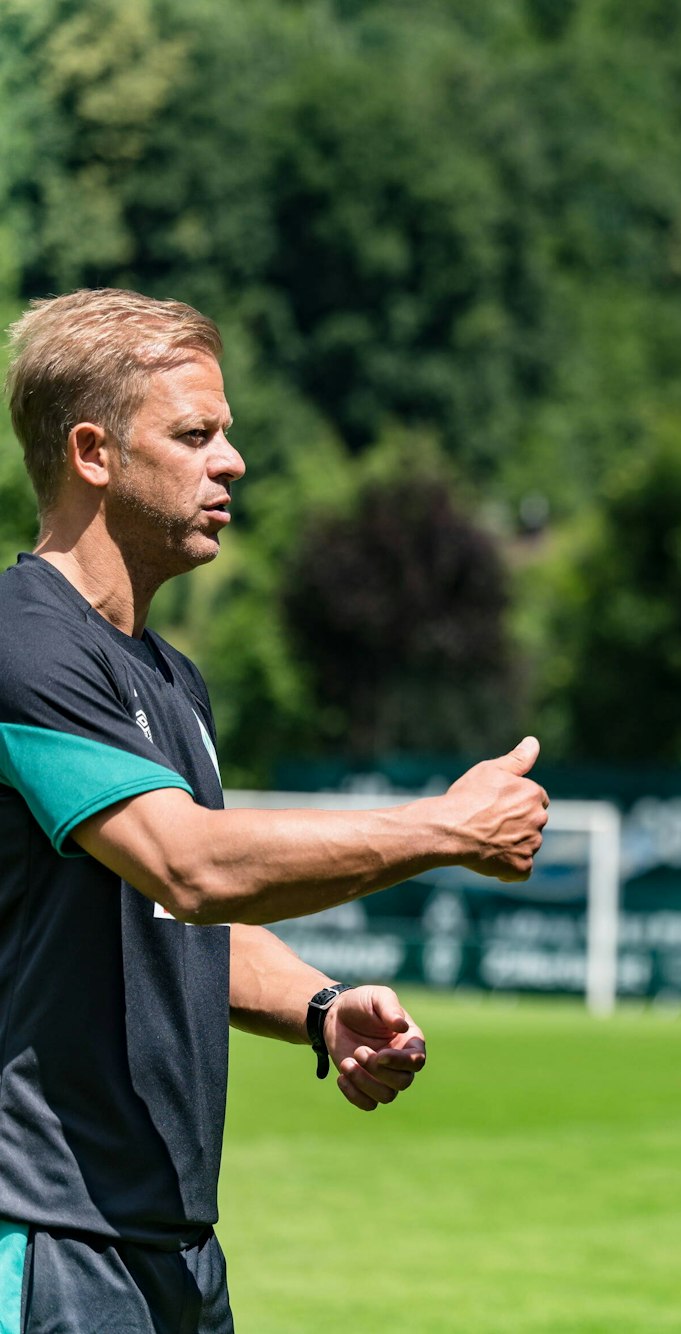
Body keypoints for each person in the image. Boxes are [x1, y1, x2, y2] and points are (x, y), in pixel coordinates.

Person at [0, 288, 550, 1331]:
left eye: (229, 435)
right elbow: (190, 867)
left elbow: (178, 924)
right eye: (196, 434)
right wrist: (444, 828)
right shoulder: (22, 641)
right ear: (92, 452)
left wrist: (319, 1005)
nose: (232, 461)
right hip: (49, 1235)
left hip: (172, 1246)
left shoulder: (172, 680)